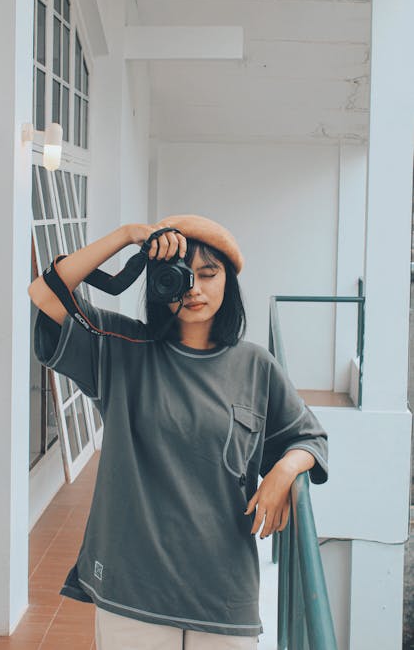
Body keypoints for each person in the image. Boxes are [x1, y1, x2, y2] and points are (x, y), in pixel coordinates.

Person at [28, 215, 328, 650]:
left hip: (223, 597)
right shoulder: (121, 348)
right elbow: (44, 293)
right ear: (158, 284)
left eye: (209, 274)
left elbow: (310, 438)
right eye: (182, 276)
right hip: (133, 589)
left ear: (229, 283)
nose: (195, 289)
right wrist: (131, 235)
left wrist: (285, 469)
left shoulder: (255, 366)